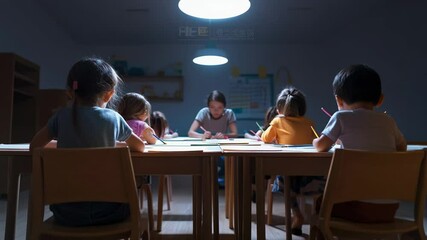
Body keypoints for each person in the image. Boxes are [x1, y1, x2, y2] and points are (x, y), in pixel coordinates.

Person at [30, 57, 145, 227]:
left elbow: (34, 147)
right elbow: (140, 147)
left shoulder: (60, 117)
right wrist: (115, 144)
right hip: (108, 212)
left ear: (70, 91)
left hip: (65, 213)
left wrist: (61, 144)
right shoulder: (114, 118)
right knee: (139, 187)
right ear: (109, 94)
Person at [313, 64, 407, 231]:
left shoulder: (340, 117)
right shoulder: (389, 121)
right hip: (389, 209)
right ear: (380, 99)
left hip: (356, 207)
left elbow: (321, 146)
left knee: (320, 203)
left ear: (338, 100)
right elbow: (402, 147)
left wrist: (315, 141)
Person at [261, 87, 321, 235]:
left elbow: (265, 139)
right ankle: (318, 218)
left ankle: (297, 214)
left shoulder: (277, 121)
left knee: (282, 181)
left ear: (279, 109)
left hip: (289, 178)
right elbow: (317, 140)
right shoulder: (310, 123)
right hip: (312, 176)